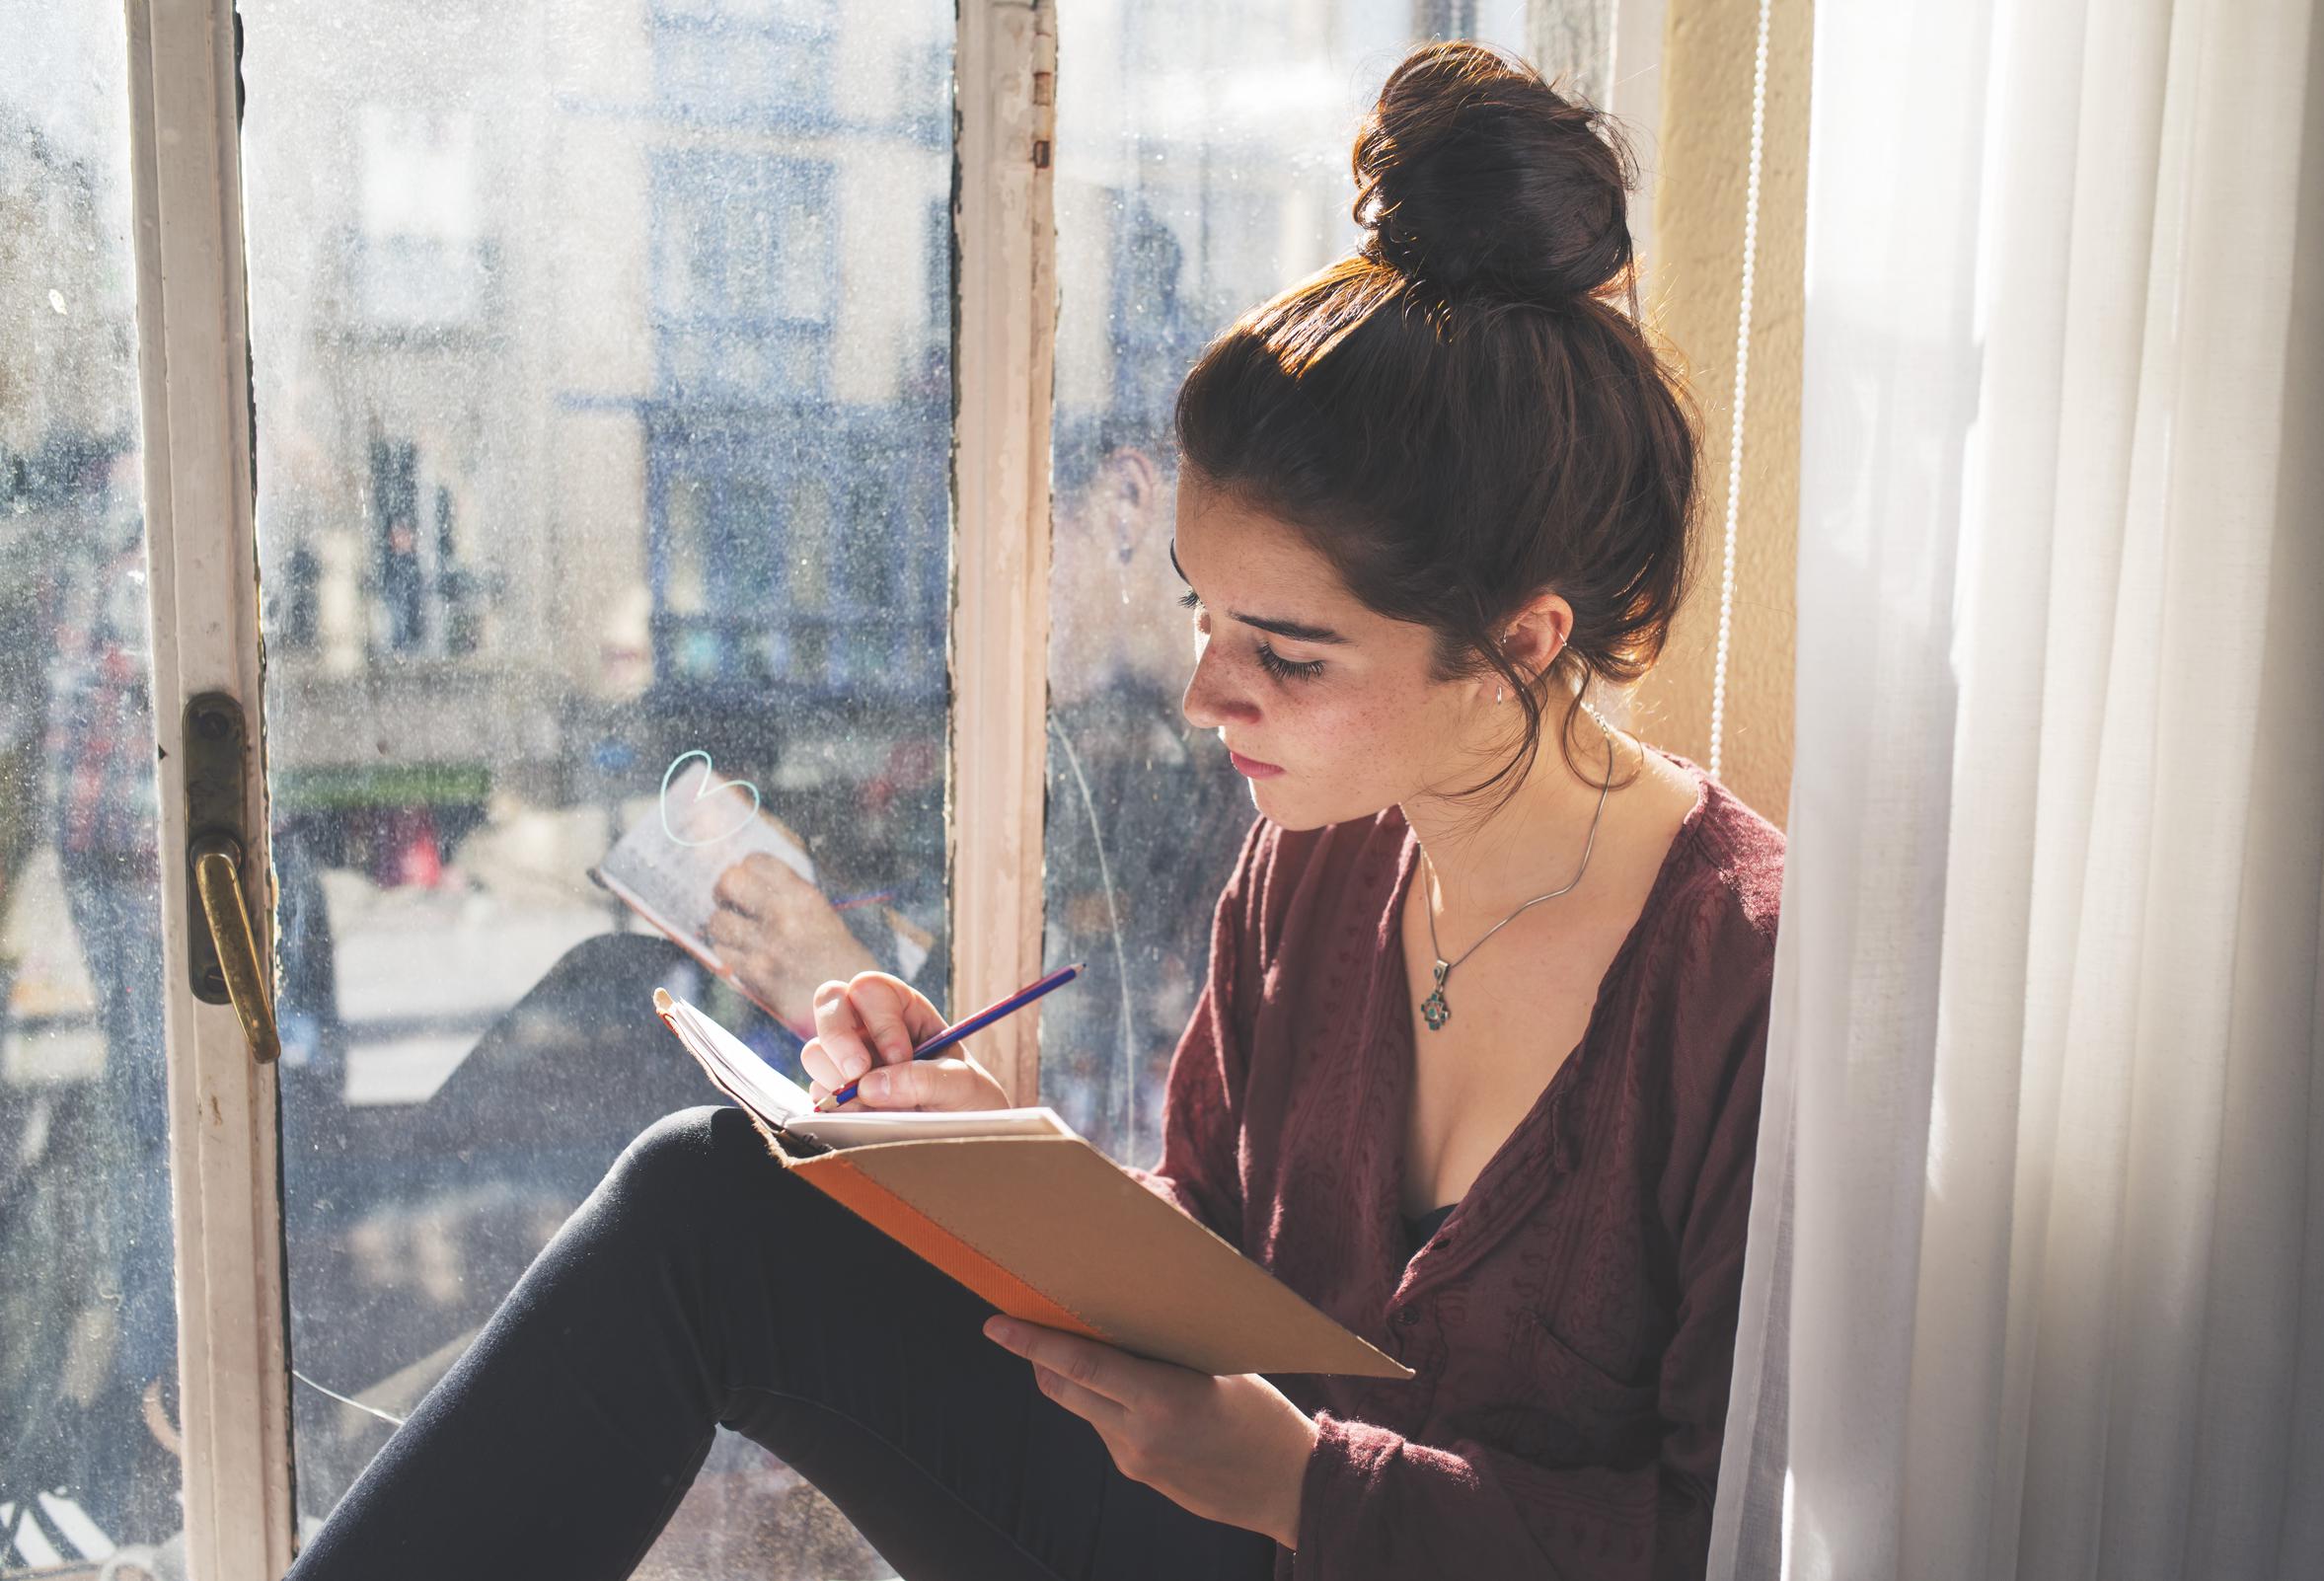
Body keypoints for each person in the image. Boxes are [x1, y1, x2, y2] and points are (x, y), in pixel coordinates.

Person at [282, 41, 1782, 1581]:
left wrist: (1306, 1485)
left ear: (1521, 643)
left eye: (1288, 652)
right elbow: (1202, 1252)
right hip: (1215, 1535)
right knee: (711, 1196)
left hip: (1311, 1541)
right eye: (1205, 614)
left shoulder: (1740, 976)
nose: (1210, 695)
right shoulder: (1318, 868)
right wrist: (988, 1162)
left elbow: (1717, 1538)